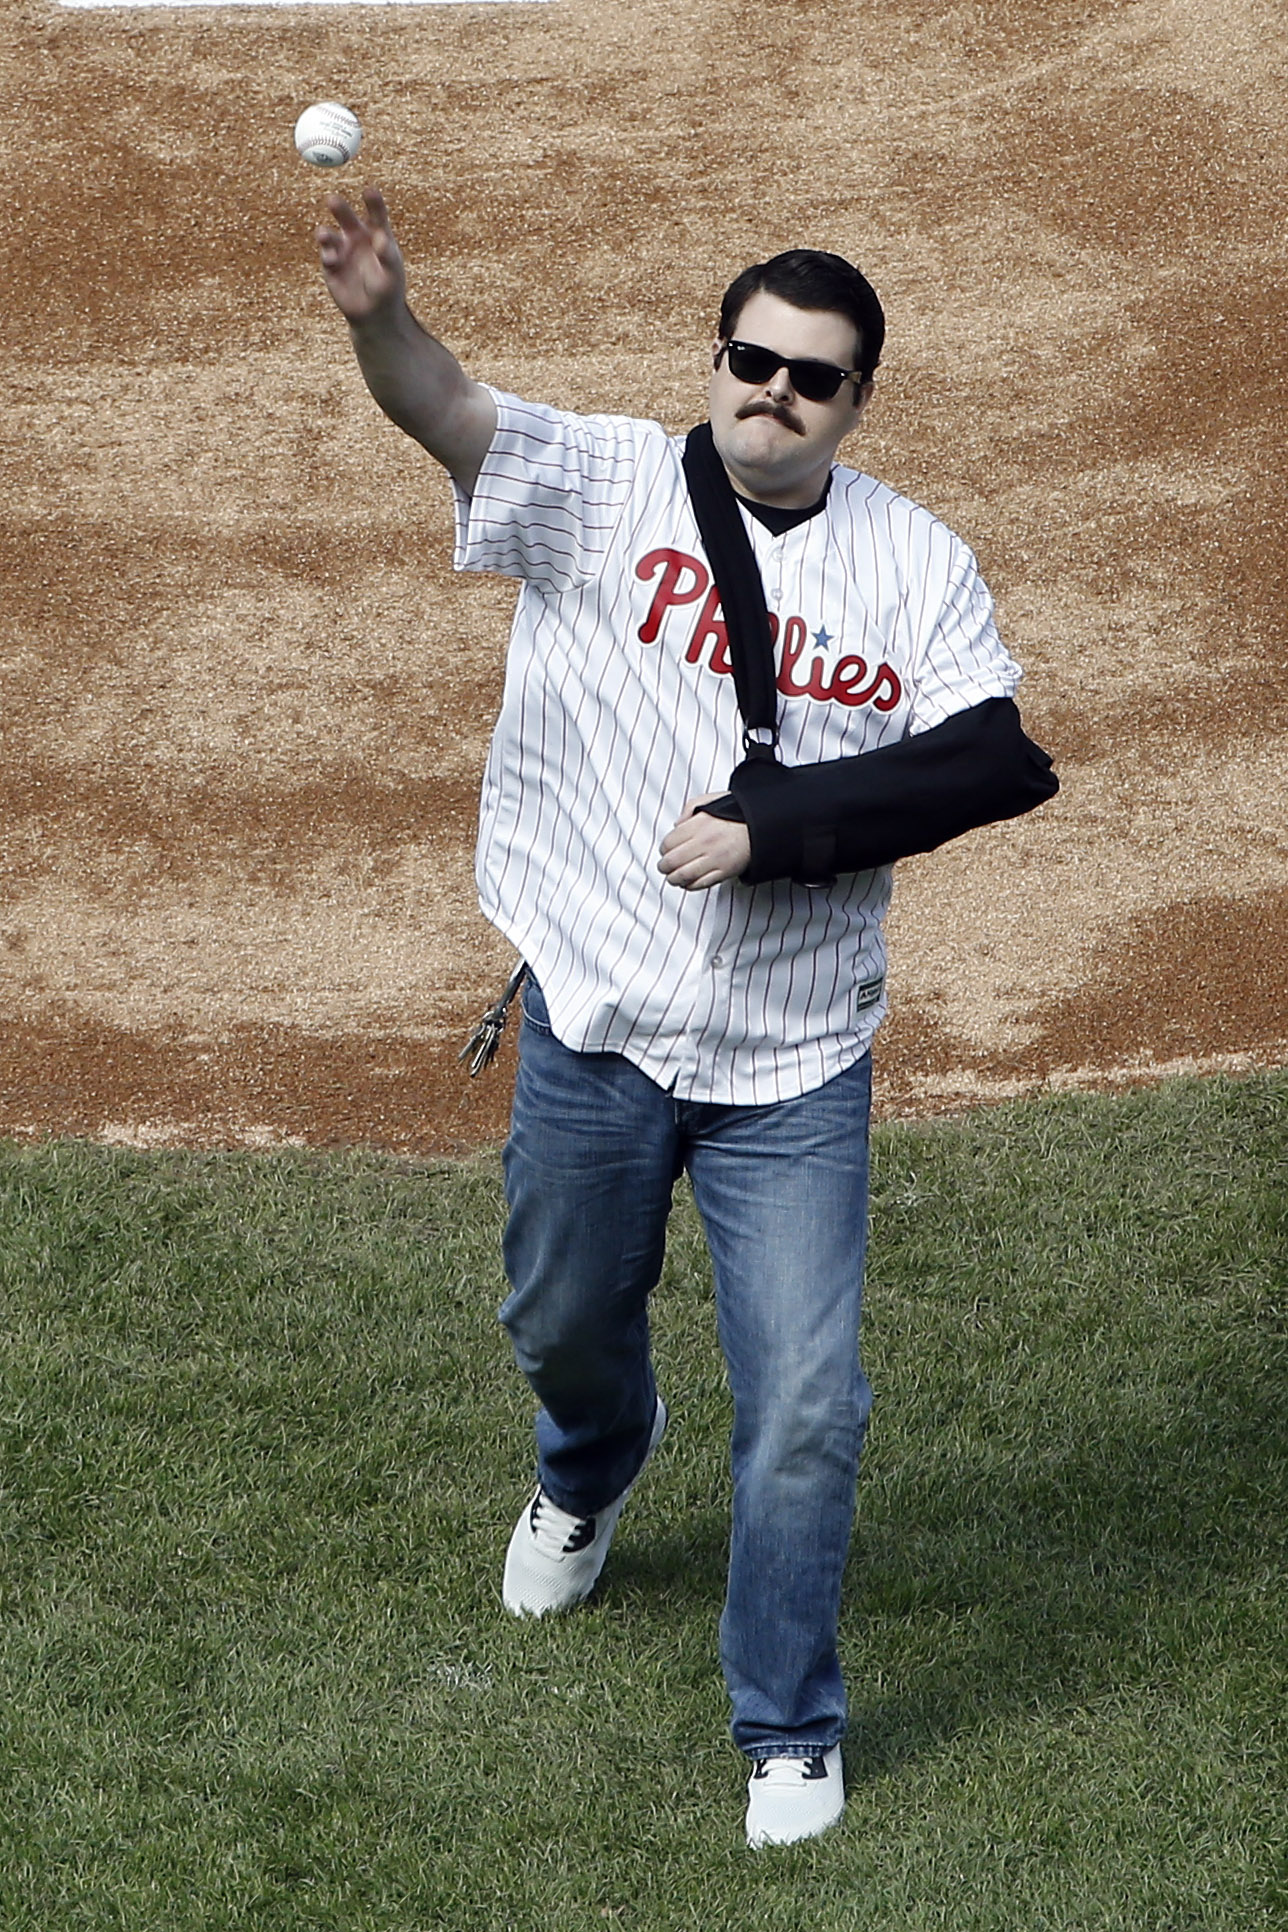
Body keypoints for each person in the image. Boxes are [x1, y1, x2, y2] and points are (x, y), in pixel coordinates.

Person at [315, 189, 1058, 1850]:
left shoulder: (913, 561)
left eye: (816, 376)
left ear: (858, 403)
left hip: (796, 1059)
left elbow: (999, 760)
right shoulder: (596, 488)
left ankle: (787, 1724)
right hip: (595, 1011)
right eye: (754, 359)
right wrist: (378, 313)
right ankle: (590, 1458)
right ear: (716, 360)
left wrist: (774, 832)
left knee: (808, 1401)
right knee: (563, 1313)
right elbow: (443, 404)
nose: (774, 393)